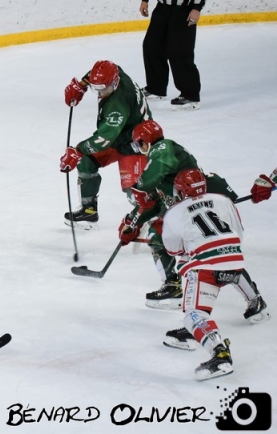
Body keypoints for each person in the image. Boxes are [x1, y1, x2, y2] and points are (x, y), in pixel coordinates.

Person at [116, 120, 261, 310]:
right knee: (222, 253)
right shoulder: (162, 169)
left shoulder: (162, 148)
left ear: (146, 141)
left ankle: (181, 294)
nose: (139, 149)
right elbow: (153, 201)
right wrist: (133, 222)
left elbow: (151, 188)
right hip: (196, 211)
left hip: (195, 209)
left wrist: (140, 188)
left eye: (139, 144)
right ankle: (254, 298)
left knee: (175, 243)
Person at [159, 169, 269, 380]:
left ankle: (219, 354)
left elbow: (173, 250)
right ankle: (256, 303)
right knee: (229, 255)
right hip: (233, 259)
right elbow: (237, 232)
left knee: (193, 313)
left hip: (206, 267)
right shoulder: (223, 199)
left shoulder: (173, 212)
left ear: (181, 190)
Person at [60, 60, 152, 229]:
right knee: (87, 161)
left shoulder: (116, 107)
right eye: (96, 87)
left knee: (136, 192)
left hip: (137, 143)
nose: (101, 92)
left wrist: (77, 151)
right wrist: (82, 84)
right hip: (121, 135)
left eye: (104, 88)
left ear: (115, 82)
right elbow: (98, 72)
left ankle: (160, 220)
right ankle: (89, 212)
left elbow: (103, 139)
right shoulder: (116, 72)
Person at [139, 0, 204, 111]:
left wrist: (197, 8)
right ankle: (156, 88)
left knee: (179, 52)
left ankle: (190, 96)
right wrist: (145, 1)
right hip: (162, 8)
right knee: (152, 47)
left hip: (185, 10)